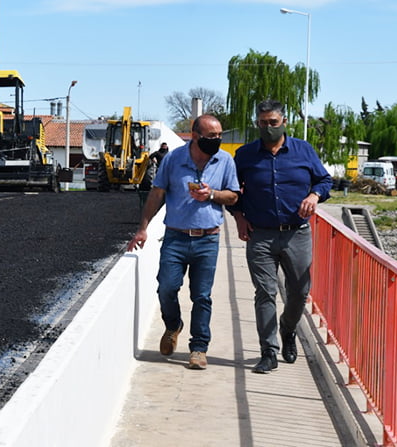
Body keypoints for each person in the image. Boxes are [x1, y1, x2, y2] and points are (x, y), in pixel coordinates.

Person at [227, 99, 333, 374]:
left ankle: (288, 329)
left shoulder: (303, 150)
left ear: (284, 122)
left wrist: (314, 195)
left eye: (273, 123)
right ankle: (268, 352)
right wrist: (238, 215)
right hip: (260, 235)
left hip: (296, 233)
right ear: (257, 124)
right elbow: (231, 190)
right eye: (263, 123)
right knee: (265, 292)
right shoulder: (246, 155)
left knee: (299, 292)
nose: (268, 128)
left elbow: (324, 180)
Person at [127, 115, 239, 370]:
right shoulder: (174, 159)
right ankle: (173, 325)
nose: (217, 140)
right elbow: (157, 194)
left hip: (208, 239)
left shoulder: (225, 161)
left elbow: (233, 196)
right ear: (196, 135)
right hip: (176, 237)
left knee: (201, 296)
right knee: (166, 287)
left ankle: (198, 348)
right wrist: (142, 229)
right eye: (212, 136)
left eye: (220, 135)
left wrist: (210, 194)